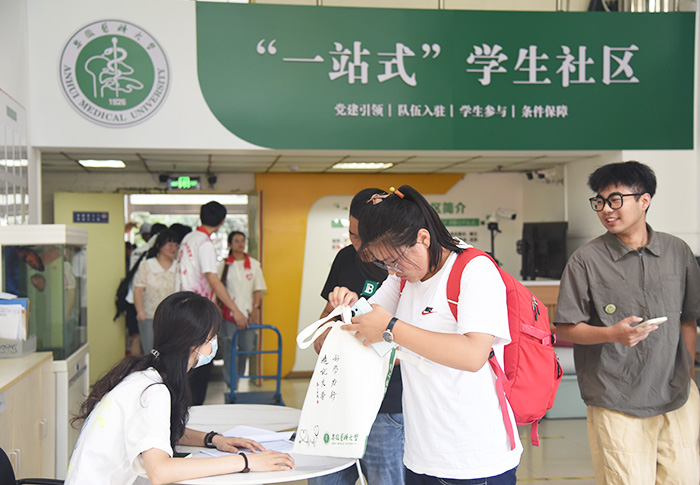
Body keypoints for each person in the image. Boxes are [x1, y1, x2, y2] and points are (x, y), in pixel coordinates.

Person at [328, 185, 522, 484]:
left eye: (395, 260)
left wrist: (391, 328)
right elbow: (367, 327)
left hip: (473, 458)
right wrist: (349, 306)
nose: (392, 270)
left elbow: (474, 355)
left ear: (423, 238)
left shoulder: (474, 269)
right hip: (420, 455)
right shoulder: (404, 277)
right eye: (383, 263)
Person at [554, 161, 700, 485]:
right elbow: (565, 327)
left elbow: (688, 318)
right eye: (600, 201)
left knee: (684, 479)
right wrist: (612, 334)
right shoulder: (585, 260)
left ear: (644, 200)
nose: (606, 209)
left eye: (615, 200)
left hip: (677, 395)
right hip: (616, 397)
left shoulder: (678, 251)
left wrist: (687, 372)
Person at [66, 292, 294, 485]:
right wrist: (245, 462)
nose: (215, 343)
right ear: (193, 343)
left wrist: (214, 439)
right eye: (212, 337)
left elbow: (156, 429)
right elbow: (160, 472)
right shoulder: (153, 391)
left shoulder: (142, 375)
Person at [310, 188, 405, 485]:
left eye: (366, 236)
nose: (359, 244)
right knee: (324, 479)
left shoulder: (403, 268)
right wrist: (331, 320)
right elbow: (322, 332)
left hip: (387, 407)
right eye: (353, 234)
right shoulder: (346, 258)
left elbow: (414, 348)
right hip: (338, 400)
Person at [176, 201, 246, 405]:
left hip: (182, 305)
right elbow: (212, 279)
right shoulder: (205, 243)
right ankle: (194, 410)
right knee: (199, 363)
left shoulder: (188, 238)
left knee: (186, 364)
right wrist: (235, 310)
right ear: (222, 221)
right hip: (195, 310)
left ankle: (184, 409)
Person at [218, 231, 266, 389]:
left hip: (248, 313)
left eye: (242, 241)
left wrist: (256, 309)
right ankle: (231, 383)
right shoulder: (224, 265)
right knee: (230, 348)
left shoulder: (254, 264)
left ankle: (237, 376)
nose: (240, 244)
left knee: (246, 347)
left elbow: (258, 289)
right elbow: (217, 288)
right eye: (236, 241)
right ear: (230, 244)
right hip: (229, 314)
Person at [134, 229, 180, 354]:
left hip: (173, 318)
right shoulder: (147, 265)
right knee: (151, 352)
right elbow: (138, 290)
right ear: (159, 246)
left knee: (170, 353)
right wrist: (140, 312)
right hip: (149, 316)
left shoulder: (179, 266)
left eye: (175, 245)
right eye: (169, 245)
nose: (173, 248)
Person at [126, 222, 167, 355]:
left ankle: (137, 366)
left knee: (138, 338)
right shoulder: (149, 257)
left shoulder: (138, 252)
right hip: (142, 303)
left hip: (135, 301)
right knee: (147, 342)